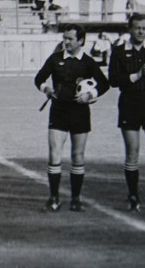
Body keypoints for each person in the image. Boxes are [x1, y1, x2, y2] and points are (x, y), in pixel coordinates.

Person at [35, 24, 109, 212]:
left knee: (77, 156)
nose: (66, 41)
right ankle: (54, 198)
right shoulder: (55, 59)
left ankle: (75, 199)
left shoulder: (88, 62)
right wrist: (47, 89)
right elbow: (39, 79)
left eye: (70, 38)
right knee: (54, 155)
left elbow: (105, 83)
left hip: (80, 113)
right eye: (65, 38)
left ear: (81, 41)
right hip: (58, 111)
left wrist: (90, 95)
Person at [108, 13, 145, 212]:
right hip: (129, 106)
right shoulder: (118, 52)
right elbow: (114, 80)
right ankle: (133, 195)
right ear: (130, 30)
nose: (141, 32)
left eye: (144, 28)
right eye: (137, 28)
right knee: (132, 152)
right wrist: (138, 75)